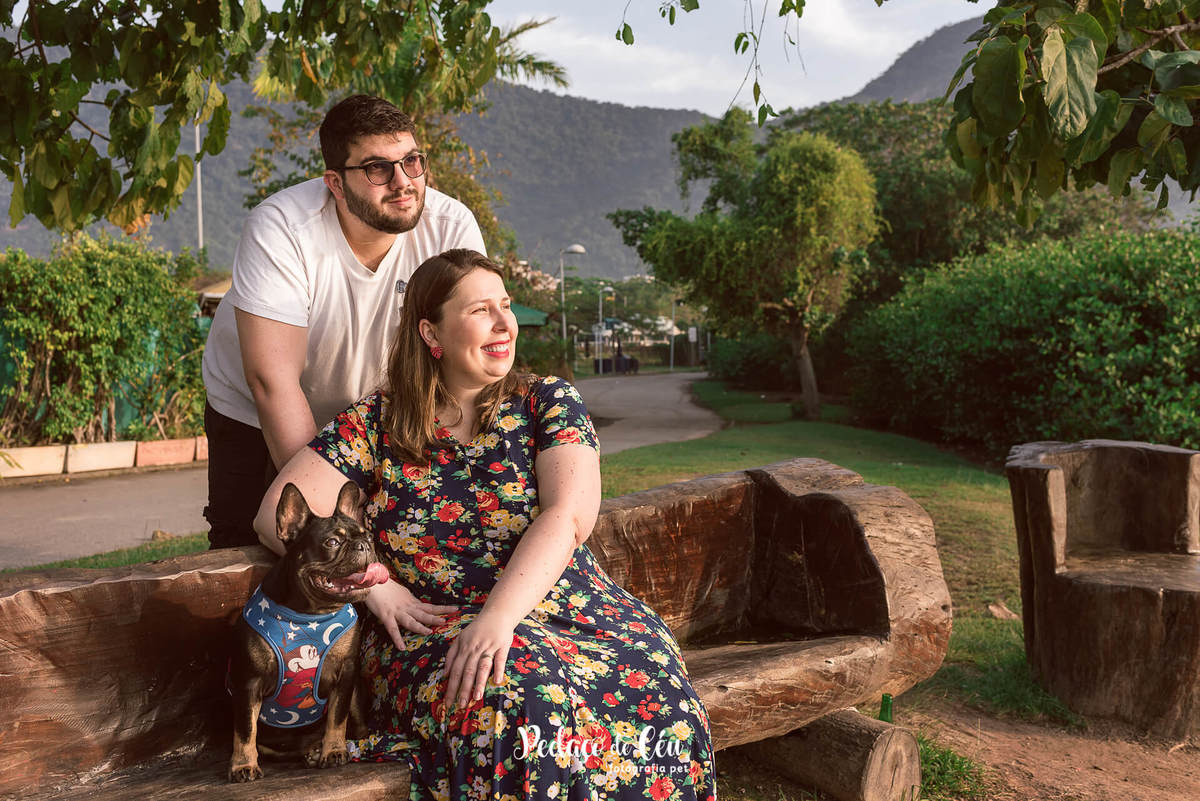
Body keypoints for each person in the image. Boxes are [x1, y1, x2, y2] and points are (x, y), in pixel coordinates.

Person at [253, 250, 716, 800]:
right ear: (432, 332)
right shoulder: (377, 421)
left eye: (506, 306)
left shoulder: (547, 401)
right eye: (481, 310)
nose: (504, 324)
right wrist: (375, 585)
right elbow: (273, 519)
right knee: (516, 703)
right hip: (434, 630)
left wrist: (498, 619)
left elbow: (567, 516)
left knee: (660, 698)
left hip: (569, 610)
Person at [202, 94, 486, 549]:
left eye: (412, 161)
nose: (403, 182)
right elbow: (273, 381)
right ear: (335, 182)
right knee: (257, 551)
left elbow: (465, 357)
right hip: (257, 413)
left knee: (409, 543)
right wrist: (328, 517)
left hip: (376, 412)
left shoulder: (450, 227)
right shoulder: (280, 228)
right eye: (377, 168)